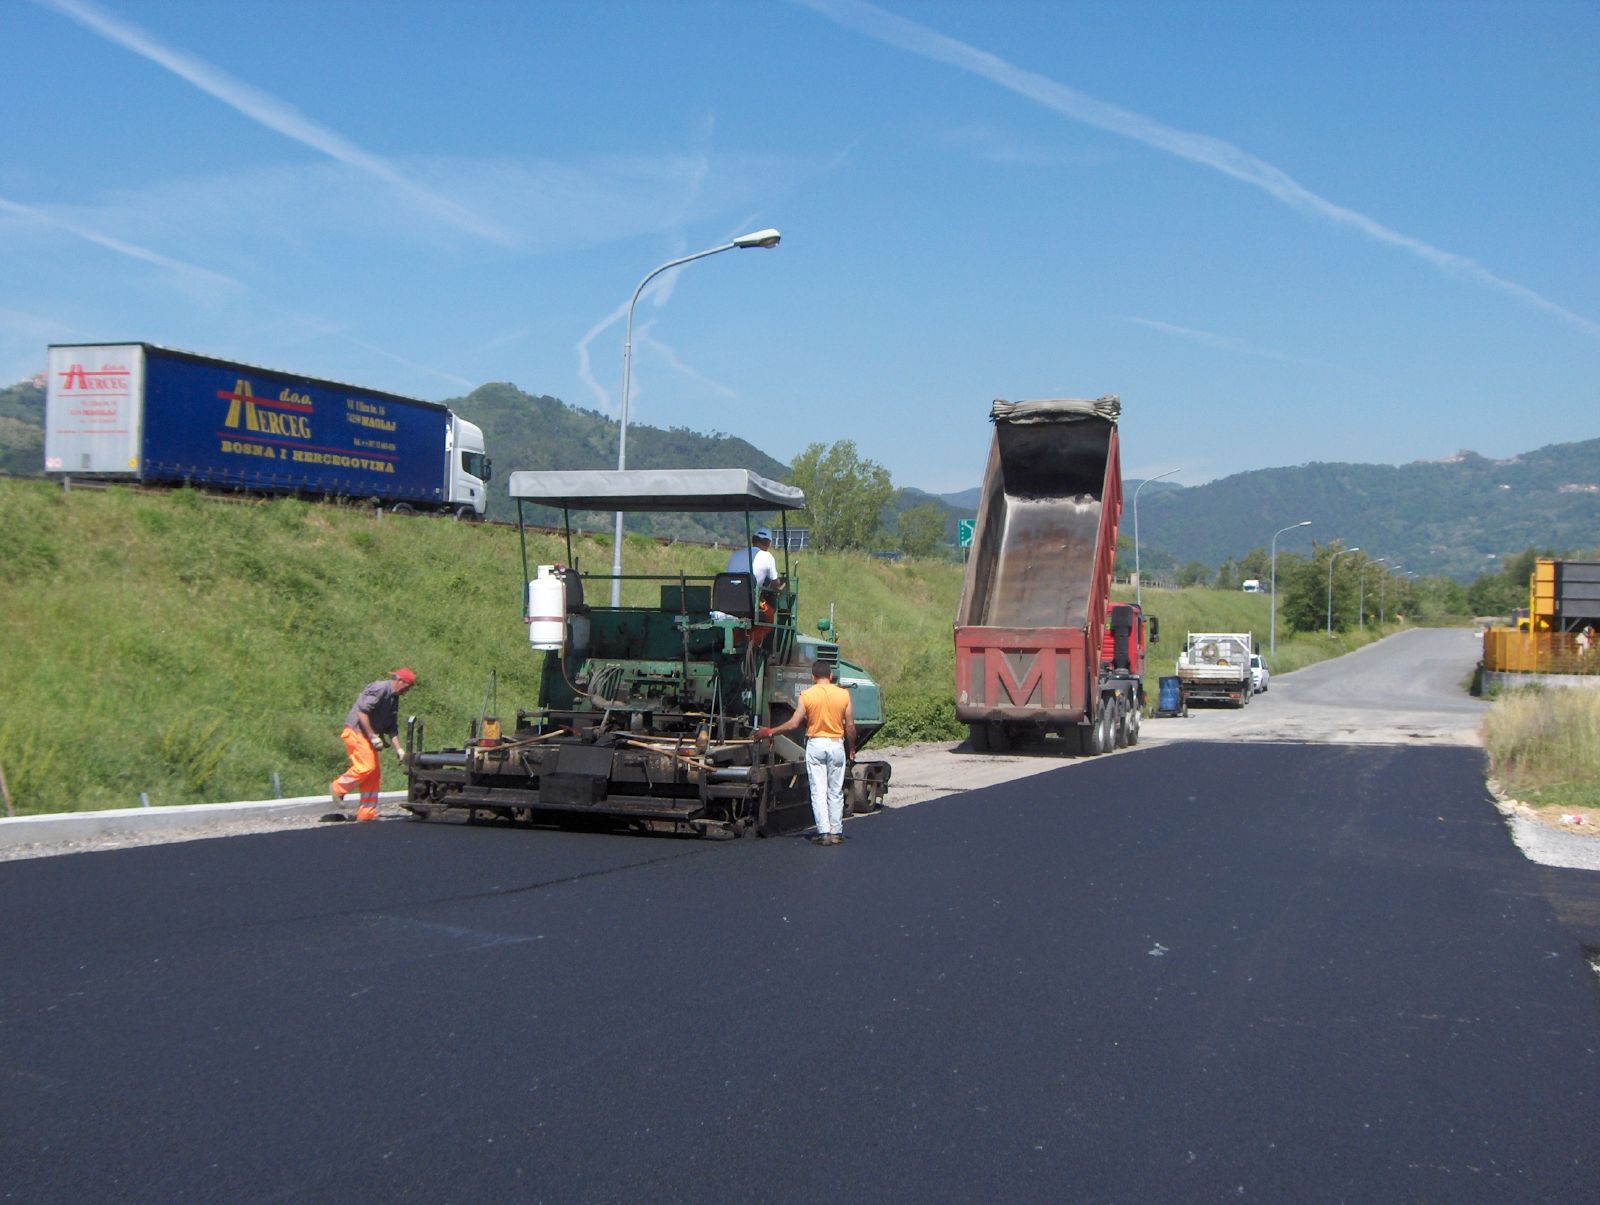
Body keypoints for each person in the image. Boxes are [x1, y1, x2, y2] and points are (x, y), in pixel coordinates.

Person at [755, 659, 856, 845]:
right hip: (836, 744)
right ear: (831, 676)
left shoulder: (806, 695)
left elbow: (794, 723)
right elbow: (850, 726)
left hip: (816, 744)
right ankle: (837, 832)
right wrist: (852, 748)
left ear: (813, 677)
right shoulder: (844, 695)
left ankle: (824, 833)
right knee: (835, 791)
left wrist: (770, 731)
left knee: (818, 791)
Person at [330, 668, 416, 822]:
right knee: (366, 767)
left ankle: (366, 813)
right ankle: (338, 788)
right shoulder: (380, 688)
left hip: (368, 737)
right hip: (356, 732)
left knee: (374, 775)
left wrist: (400, 750)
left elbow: (392, 728)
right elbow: (362, 713)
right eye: (408, 687)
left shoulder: (394, 698)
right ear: (400, 681)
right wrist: (373, 736)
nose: (408, 691)